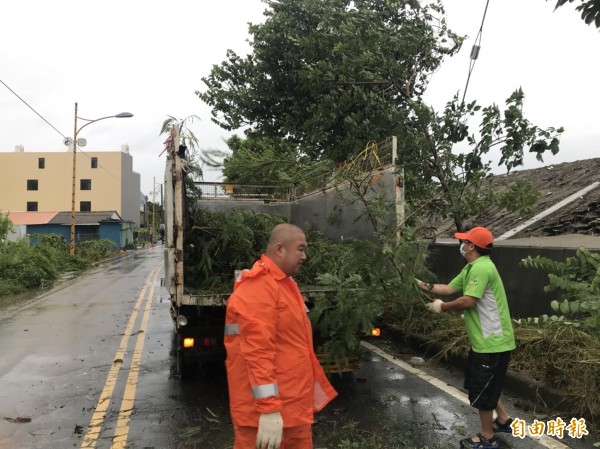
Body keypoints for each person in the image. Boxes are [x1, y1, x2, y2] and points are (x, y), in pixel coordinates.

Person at [224, 223, 338, 449]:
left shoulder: (283, 284)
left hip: (292, 411)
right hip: (266, 417)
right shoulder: (258, 289)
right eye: (301, 249)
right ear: (279, 250)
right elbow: (257, 353)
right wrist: (269, 410)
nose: (305, 256)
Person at [415, 226, 516, 449]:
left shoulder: (481, 268)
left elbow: (468, 301)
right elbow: (449, 288)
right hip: (486, 342)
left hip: (492, 342)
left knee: (482, 387)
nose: (462, 245)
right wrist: (423, 286)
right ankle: (503, 419)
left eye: (464, 241)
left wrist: (441, 308)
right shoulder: (472, 268)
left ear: (471, 246)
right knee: (483, 384)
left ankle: (486, 437)